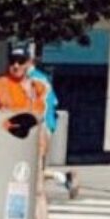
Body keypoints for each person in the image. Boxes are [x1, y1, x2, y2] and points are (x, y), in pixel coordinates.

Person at [0, 42, 62, 219]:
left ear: (29, 63)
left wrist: (46, 139)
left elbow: (44, 118)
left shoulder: (39, 88)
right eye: (12, 61)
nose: (15, 66)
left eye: (20, 61)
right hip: (5, 148)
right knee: (7, 192)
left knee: (37, 191)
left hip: (32, 148)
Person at [26, 59, 80, 199]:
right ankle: (64, 179)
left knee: (32, 166)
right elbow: (55, 101)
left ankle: (63, 179)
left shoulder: (31, 80)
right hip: (48, 125)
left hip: (38, 127)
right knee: (35, 166)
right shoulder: (44, 79)